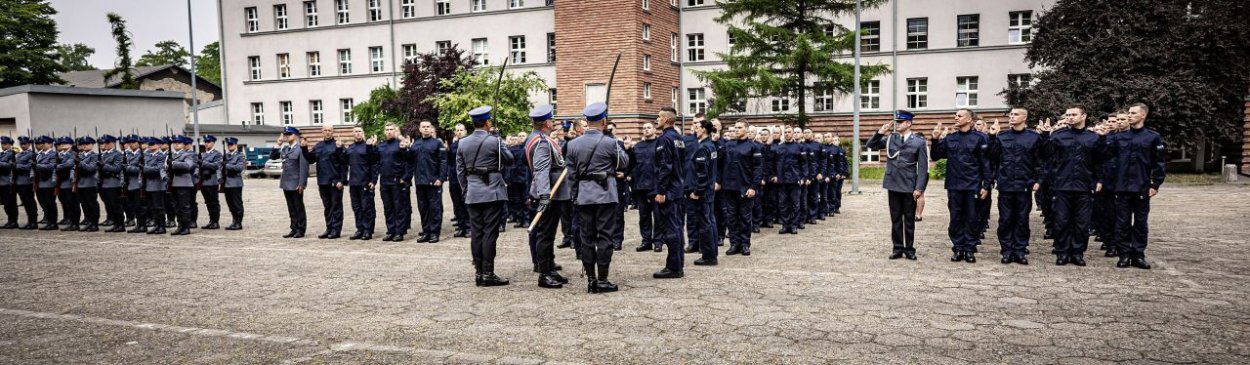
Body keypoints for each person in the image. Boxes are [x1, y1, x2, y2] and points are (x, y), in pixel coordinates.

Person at [565, 102, 629, 291]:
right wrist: (613, 143)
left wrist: (575, 196)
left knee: (587, 238)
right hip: (605, 196)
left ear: (587, 121)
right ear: (603, 121)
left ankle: (591, 279)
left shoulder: (573, 144)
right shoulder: (610, 142)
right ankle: (602, 279)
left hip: (584, 196)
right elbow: (623, 163)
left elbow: (571, 175)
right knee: (605, 237)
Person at [1104, 103, 1164, 269]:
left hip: (1141, 187)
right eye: (1128, 113)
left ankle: (1138, 254)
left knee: (1140, 223)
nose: (1129, 116)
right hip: (1121, 187)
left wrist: (1155, 184)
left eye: (1133, 113)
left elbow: (1158, 163)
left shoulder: (1152, 137)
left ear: (1143, 115)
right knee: (1121, 222)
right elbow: (1108, 161)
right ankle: (1123, 254)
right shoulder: (1118, 138)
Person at [457, 106, 512, 287]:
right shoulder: (493, 141)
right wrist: (499, 140)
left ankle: (479, 273)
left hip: (473, 192)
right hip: (492, 192)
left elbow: (460, 171)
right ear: (488, 122)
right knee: (490, 233)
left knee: (477, 233)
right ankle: (488, 273)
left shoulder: (462, 143)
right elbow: (509, 159)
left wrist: (466, 190)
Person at [931, 109, 992, 263]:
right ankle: (958, 248)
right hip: (954, 184)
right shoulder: (951, 138)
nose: (956, 117)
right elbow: (936, 155)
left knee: (972, 218)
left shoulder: (981, 138)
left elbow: (985, 163)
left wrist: (986, 184)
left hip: (973, 185)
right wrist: (935, 139)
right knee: (956, 218)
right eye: (955, 115)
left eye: (959, 115)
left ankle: (970, 249)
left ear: (970, 119)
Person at [1046, 105, 1103, 266]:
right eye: (1068, 115)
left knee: (1082, 222)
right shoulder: (1057, 136)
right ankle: (1062, 252)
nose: (1069, 117)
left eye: (1073, 114)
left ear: (1084, 116)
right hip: (1062, 185)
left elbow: (1099, 162)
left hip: (1084, 186)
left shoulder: (1093, 138)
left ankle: (1077, 252)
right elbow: (1050, 160)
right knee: (1061, 220)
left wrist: (1099, 180)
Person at [867, 111, 929, 260]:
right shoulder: (891, 139)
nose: (897, 125)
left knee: (908, 218)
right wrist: (880, 132)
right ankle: (897, 248)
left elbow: (922, 167)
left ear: (908, 123)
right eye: (896, 122)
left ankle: (909, 249)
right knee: (895, 218)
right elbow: (871, 145)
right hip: (893, 183)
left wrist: (919, 188)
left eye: (900, 122)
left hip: (909, 185)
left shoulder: (918, 142)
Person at [987, 109, 1044, 265]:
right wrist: (992, 137)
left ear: (1024, 117)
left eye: (1015, 114)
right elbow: (992, 157)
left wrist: (1039, 180)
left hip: (1024, 185)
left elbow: (1039, 161)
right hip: (1005, 185)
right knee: (1005, 220)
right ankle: (1006, 250)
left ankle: (1019, 250)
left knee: (1022, 220)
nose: (1012, 117)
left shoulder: (1033, 137)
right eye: (1010, 115)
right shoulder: (1002, 136)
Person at [524, 104, 571, 289]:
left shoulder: (536, 137)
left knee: (549, 234)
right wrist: (545, 196)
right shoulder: (541, 142)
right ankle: (544, 274)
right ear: (545, 123)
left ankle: (550, 268)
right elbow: (542, 170)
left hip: (552, 193)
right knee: (544, 235)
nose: (553, 123)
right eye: (551, 120)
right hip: (548, 194)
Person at [651, 107, 686, 279]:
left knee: (671, 229)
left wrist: (661, 191)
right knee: (678, 227)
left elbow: (665, 167)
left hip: (670, 190)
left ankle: (673, 267)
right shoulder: (679, 138)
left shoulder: (664, 139)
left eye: (658, 117)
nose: (656, 120)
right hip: (678, 188)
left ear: (665, 119)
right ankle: (678, 264)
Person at [719, 120, 763, 256]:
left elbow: (757, 168)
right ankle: (734, 244)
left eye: (739, 128)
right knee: (731, 218)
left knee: (745, 218)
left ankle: (745, 244)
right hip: (729, 187)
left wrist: (753, 187)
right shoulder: (728, 145)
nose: (736, 130)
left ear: (747, 129)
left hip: (745, 187)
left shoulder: (753, 147)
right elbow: (720, 165)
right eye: (735, 128)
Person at [686, 120, 719, 265]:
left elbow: (702, 173)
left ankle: (708, 256)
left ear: (704, 130)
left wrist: (697, 192)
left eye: (697, 127)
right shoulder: (711, 146)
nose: (695, 129)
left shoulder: (704, 147)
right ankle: (712, 252)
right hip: (709, 191)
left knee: (705, 223)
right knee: (710, 221)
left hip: (703, 192)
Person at [411, 121, 447, 243]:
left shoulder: (437, 144)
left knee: (435, 208)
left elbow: (443, 162)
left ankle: (434, 233)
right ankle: (426, 232)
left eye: (428, 127)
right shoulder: (415, 144)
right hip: (420, 182)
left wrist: (441, 178)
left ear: (431, 129)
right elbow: (409, 161)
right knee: (423, 208)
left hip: (434, 182)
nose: (426, 129)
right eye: (423, 127)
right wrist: (405, 150)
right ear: (420, 129)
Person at [271, 127, 310, 238]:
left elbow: (303, 167)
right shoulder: (285, 149)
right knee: (291, 207)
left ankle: (300, 229)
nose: (287, 136)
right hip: (286, 182)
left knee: (298, 207)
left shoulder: (300, 148)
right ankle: (293, 228)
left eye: (289, 134)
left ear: (295, 135)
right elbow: (273, 157)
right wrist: (278, 144)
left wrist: (302, 183)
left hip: (296, 183)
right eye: (286, 134)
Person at [309, 125, 346, 239]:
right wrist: (304, 148)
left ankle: (336, 230)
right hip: (323, 181)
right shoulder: (319, 146)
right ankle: (329, 228)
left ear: (333, 132)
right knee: (327, 206)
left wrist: (342, 180)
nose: (327, 132)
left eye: (329, 130)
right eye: (325, 130)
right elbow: (311, 159)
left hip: (335, 181)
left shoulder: (338, 145)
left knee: (336, 206)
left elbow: (344, 164)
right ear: (322, 132)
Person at [628, 122, 659, 252]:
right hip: (641, 186)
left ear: (654, 129)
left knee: (658, 216)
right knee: (644, 216)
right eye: (644, 128)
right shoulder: (638, 147)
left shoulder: (660, 144)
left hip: (656, 185)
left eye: (648, 128)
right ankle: (646, 241)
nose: (646, 130)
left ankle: (658, 241)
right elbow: (631, 164)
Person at [377, 123, 412, 242]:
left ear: (395, 131)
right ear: (384, 132)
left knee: (399, 207)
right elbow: (375, 162)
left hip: (397, 181)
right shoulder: (381, 146)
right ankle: (390, 230)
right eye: (387, 129)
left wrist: (405, 177)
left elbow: (408, 162)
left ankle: (399, 232)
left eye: (391, 129)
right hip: (384, 181)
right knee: (388, 208)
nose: (389, 131)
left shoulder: (400, 145)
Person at [772, 127, 806, 235]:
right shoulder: (779, 148)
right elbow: (774, 163)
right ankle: (785, 225)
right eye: (785, 132)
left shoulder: (799, 147)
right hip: (782, 181)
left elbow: (804, 164)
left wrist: (803, 177)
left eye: (789, 132)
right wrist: (775, 175)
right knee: (782, 204)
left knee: (795, 204)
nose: (787, 134)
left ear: (793, 134)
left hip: (794, 180)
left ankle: (793, 225)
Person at [344, 127, 377, 240]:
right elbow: (343, 162)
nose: (358, 133)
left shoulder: (367, 147)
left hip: (365, 182)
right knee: (356, 207)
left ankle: (368, 230)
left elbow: (373, 164)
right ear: (353, 134)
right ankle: (360, 229)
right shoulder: (350, 148)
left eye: (360, 132)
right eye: (356, 132)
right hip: (353, 182)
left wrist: (373, 180)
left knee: (366, 207)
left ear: (363, 133)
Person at [168, 136, 198, 235]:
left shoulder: (187, 154)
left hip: (184, 184)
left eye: (179, 142)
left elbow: (188, 166)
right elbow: (163, 167)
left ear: (183, 145)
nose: (176, 144)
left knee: (184, 206)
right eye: (175, 142)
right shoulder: (170, 155)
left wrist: (173, 163)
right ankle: (180, 226)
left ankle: (186, 227)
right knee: (176, 207)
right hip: (173, 183)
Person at [96, 135, 125, 232]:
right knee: (109, 206)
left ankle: (120, 224)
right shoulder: (103, 155)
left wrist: (103, 166)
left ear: (113, 143)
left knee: (116, 205)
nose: (105, 145)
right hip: (104, 183)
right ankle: (115, 223)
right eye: (104, 143)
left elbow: (117, 168)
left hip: (113, 183)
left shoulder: (117, 154)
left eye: (107, 143)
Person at [141, 137, 169, 234]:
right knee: (152, 207)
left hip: (158, 185)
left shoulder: (161, 156)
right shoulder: (146, 155)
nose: (150, 146)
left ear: (158, 145)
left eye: (152, 144)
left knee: (159, 207)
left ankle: (162, 226)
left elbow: (159, 169)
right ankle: (156, 225)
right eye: (149, 144)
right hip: (149, 185)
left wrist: (145, 168)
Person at [447, 124, 469, 238]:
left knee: (466, 204)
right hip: (454, 179)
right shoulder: (453, 145)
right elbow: (449, 162)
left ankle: (468, 227)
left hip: (465, 179)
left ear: (465, 131)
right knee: (457, 205)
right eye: (457, 130)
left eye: (461, 130)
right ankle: (461, 227)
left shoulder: (469, 144)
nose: (459, 132)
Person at [13, 137, 39, 230]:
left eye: (25, 144)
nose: (23, 146)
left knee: (30, 202)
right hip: (19, 182)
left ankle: (33, 222)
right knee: (25, 202)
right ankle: (30, 221)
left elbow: (30, 167)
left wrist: (17, 166)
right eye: (21, 144)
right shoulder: (18, 155)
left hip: (27, 181)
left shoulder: (32, 154)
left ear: (29, 144)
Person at [198, 135, 223, 230]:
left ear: (213, 143)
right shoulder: (203, 154)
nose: (206, 143)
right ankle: (211, 221)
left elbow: (216, 165)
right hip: (203, 181)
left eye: (208, 142)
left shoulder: (217, 154)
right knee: (208, 202)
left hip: (212, 181)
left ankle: (215, 221)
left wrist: (203, 163)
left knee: (214, 202)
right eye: (205, 142)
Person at [55, 137, 80, 231]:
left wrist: (56, 166)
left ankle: (75, 223)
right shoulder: (58, 155)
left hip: (70, 183)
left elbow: (69, 164)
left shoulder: (73, 154)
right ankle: (69, 220)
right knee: (66, 203)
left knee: (73, 204)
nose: (62, 145)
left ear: (71, 145)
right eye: (60, 144)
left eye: (65, 144)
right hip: (61, 183)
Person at [221, 137, 246, 230]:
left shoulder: (240, 155)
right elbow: (220, 168)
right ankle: (234, 221)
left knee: (237, 203)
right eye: (228, 145)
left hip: (236, 183)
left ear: (235, 145)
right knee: (230, 204)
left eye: (231, 144)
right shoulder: (226, 156)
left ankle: (239, 222)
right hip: (226, 183)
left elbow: (239, 168)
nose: (229, 146)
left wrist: (226, 165)